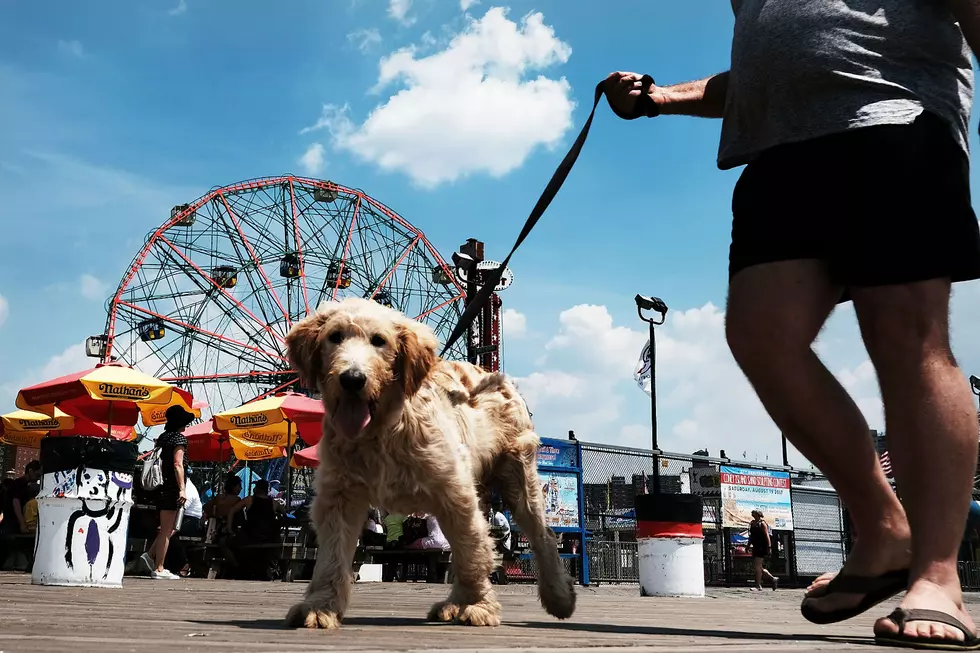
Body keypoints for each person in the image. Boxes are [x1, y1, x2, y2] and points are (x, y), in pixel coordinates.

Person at [606, 1, 980, 647]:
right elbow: (763, 75)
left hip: (892, 121)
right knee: (760, 334)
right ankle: (883, 529)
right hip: (780, 152)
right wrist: (661, 98)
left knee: (907, 339)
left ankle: (938, 576)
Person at [141, 405, 194, 580]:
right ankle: (159, 567)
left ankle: (151, 557)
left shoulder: (163, 438)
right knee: (167, 530)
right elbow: (178, 464)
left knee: (165, 527)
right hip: (172, 487)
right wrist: (182, 489)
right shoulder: (179, 439)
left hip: (160, 487)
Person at [0, 461, 40, 535]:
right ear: (30, 471)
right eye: (37, 475)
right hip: (12, 521)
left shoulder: (24, 485)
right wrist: (22, 523)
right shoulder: (19, 483)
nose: (38, 478)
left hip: (12, 521)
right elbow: (16, 502)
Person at [749, 510, 777, 591]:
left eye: (753, 513)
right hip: (755, 546)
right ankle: (773, 579)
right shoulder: (752, 523)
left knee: (757, 566)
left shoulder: (762, 523)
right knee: (759, 567)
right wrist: (748, 546)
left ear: (757, 514)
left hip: (761, 547)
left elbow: (767, 535)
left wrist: (769, 547)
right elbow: (751, 536)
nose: (752, 514)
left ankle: (758, 586)